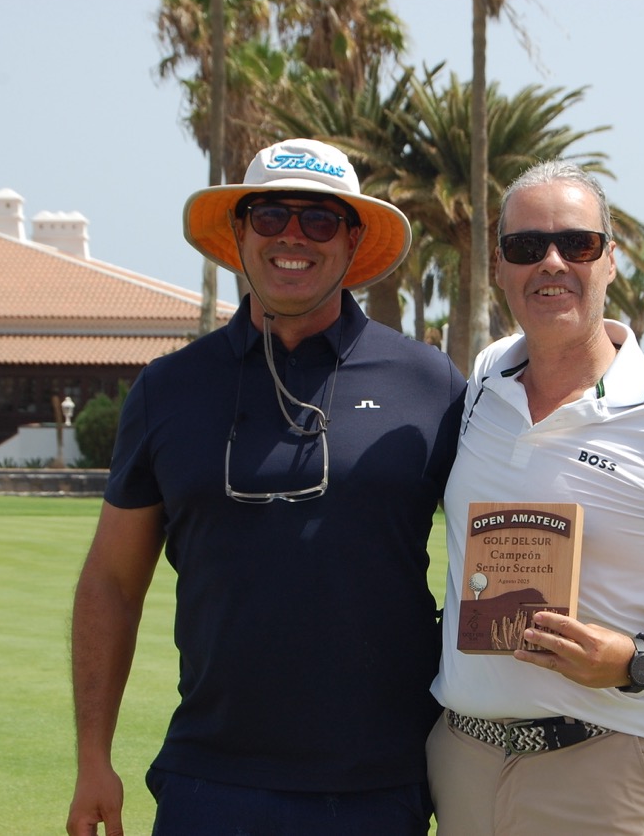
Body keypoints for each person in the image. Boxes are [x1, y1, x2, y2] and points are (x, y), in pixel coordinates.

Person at [66, 138, 466, 836]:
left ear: (351, 239)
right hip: (208, 781)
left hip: (377, 784)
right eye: (271, 213)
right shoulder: (169, 388)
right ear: (240, 231)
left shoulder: (429, 384)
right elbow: (110, 581)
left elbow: (508, 528)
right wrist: (92, 757)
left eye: (318, 220)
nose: (292, 236)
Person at [427, 160, 644, 836]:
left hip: (607, 766)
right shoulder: (482, 384)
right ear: (500, 268)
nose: (552, 262)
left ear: (611, 261)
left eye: (577, 244)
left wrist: (640, 656)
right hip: (462, 763)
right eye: (526, 247)